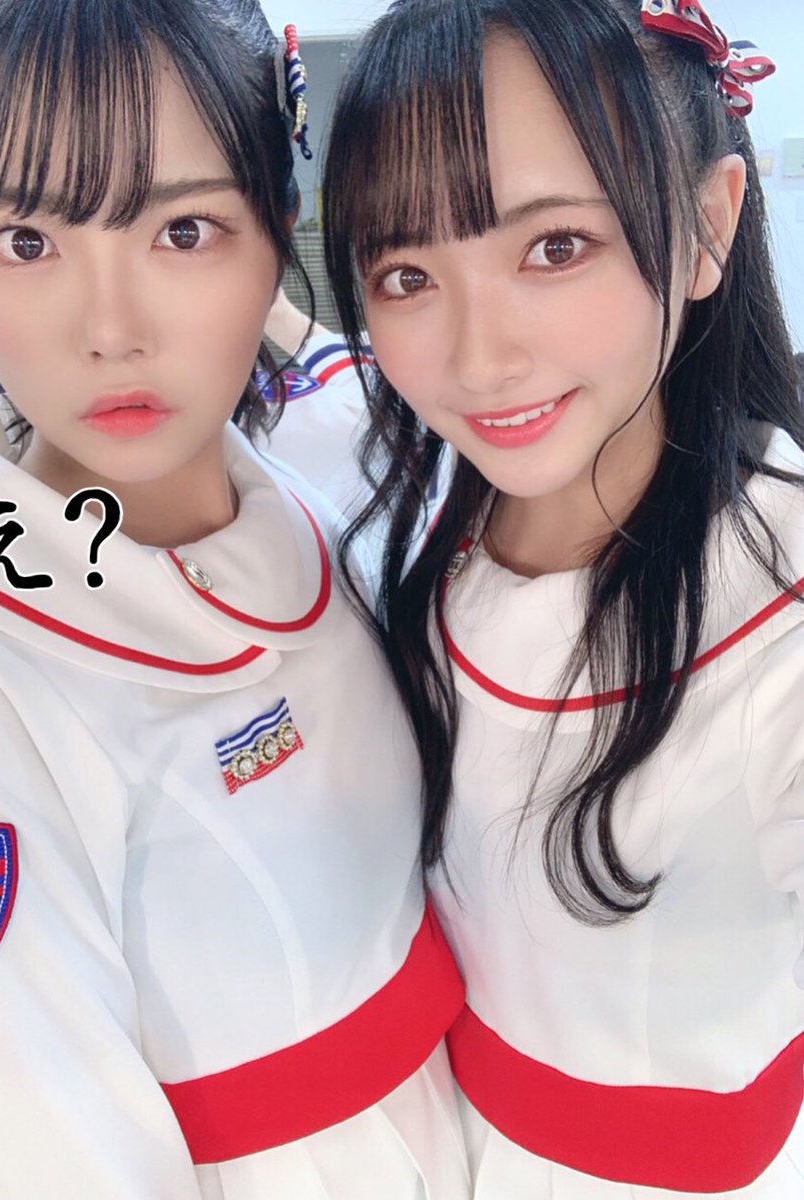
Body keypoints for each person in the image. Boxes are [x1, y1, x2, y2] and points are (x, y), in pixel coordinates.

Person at [0, 2, 470, 1197]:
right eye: (25, 241)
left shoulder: (314, 484)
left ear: (277, 229)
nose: (110, 330)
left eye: (183, 230)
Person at [321, 0, 804, 1194]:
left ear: (705, 227)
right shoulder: (420, 506)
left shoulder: (776, 616)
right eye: (405, 274)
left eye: (553, 248)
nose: (478, 359)